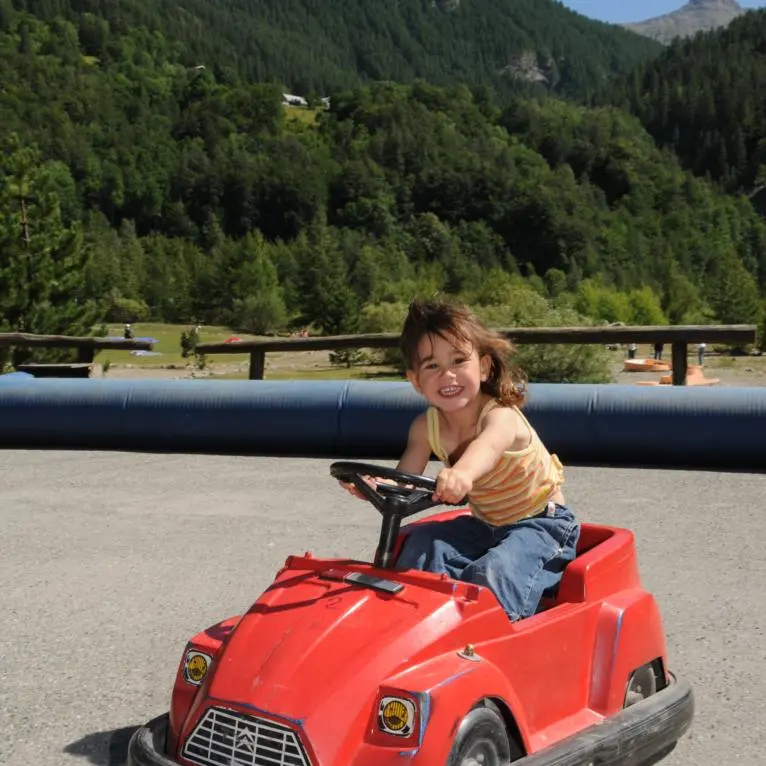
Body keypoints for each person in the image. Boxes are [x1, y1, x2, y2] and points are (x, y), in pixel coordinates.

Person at [340, 298, 580, 622]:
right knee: (419, 546)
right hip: (485, 525)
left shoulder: (501, 417)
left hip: (542, 523)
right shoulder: (426, 428)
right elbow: (405, 480)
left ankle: (484, 644)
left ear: (483, 367)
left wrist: (462, 474)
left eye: (458, 361)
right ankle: (409, 630)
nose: (447, 375)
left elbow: (486, 449)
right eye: (432, 366)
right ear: (415, 380)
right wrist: (375, 486)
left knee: (492, 574)